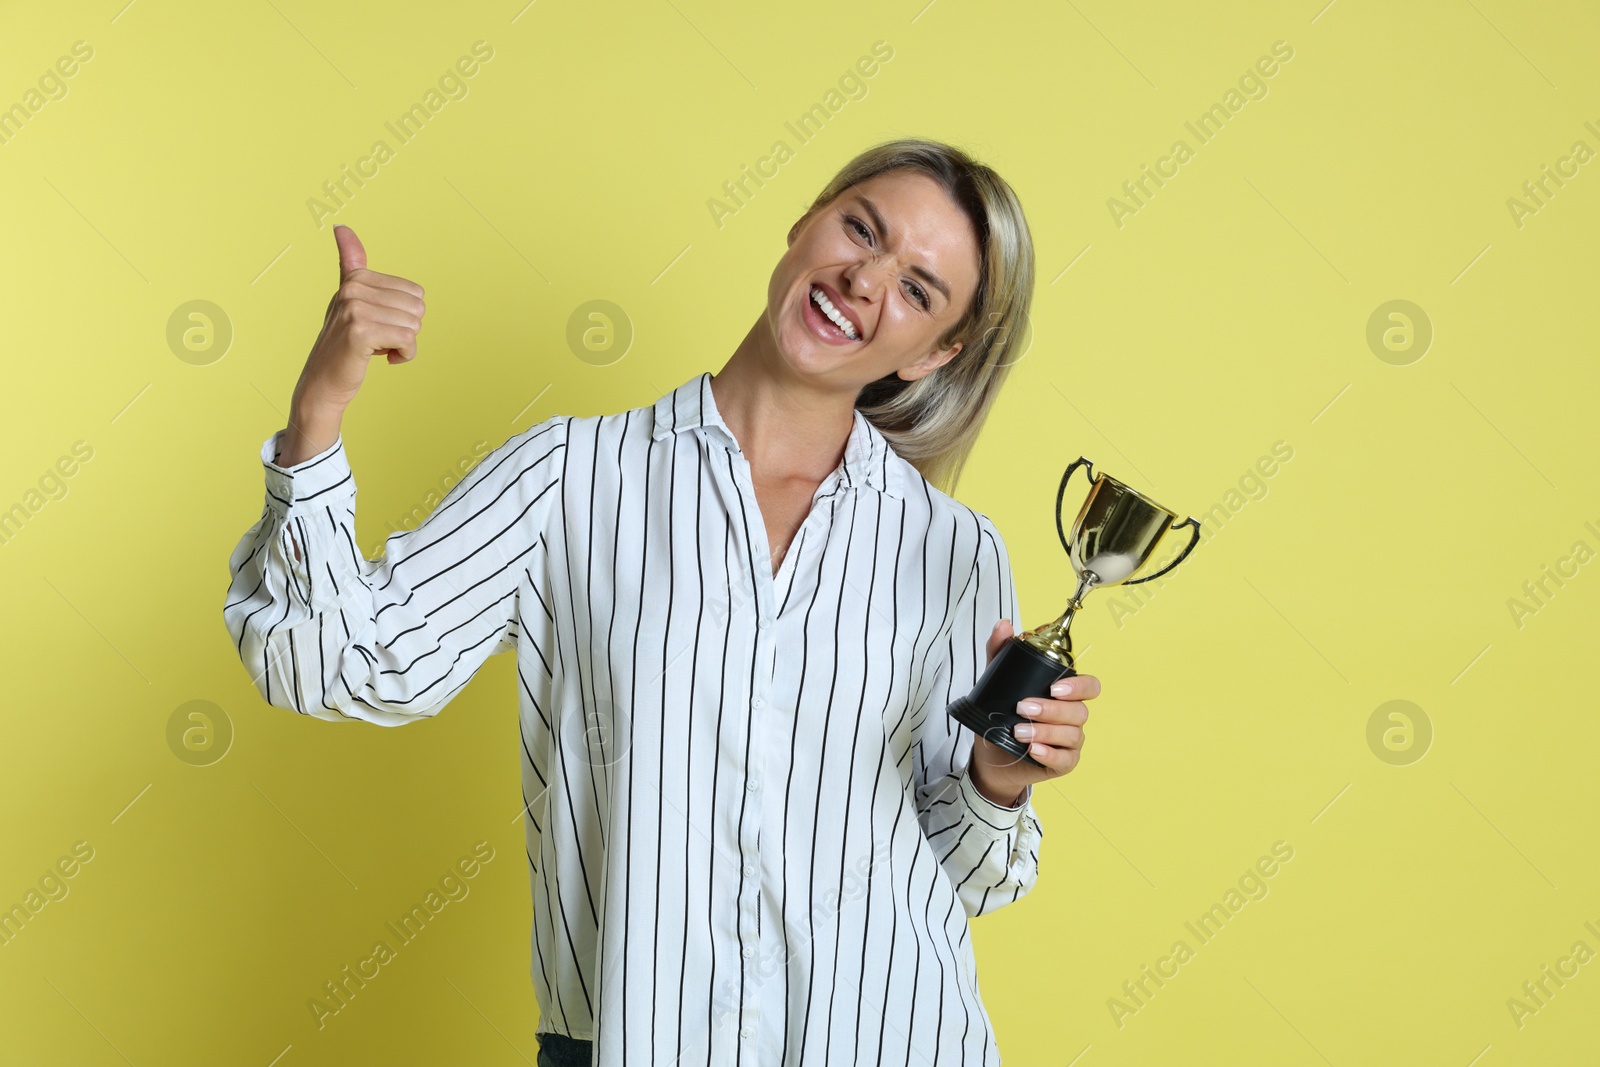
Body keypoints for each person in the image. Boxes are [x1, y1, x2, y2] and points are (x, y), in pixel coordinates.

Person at [223, 137, 1099, 1066]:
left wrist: (1001, 783)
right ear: (804, 223)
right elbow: (329, 664)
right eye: (860, 229)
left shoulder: (954, 552)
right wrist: (317, 417)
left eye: (919, 289)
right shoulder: (572, 479)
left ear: (936, 353)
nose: (865, 280)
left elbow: (972, 875)